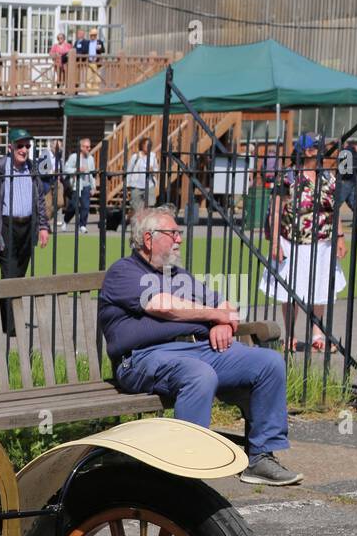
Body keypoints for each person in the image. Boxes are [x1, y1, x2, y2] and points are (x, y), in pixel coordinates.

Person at [102, 206, 302, 485]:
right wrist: (213, 315)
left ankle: (260, 459)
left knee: (269, 364)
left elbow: (226, 306)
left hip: (193, 352)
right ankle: (186, 471)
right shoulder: (123, 272)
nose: (179, 239)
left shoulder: (177, 275)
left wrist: (223, 322)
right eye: (173, 233)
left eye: (179, 233)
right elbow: (160, 305)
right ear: (148, 239)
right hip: (141, 359)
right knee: (199, 374)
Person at [260, 132, 347, 352]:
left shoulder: (327, 177)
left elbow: (335, 209)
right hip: (293, 243)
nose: (320, 151)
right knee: (291, 289)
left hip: (324, 243)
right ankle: (290, 336)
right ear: (305, 151)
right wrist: (274, 243)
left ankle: (317, 334)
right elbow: (276, 210)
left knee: (319, 287)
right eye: (316, 147)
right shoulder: (288, 176)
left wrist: (340, 236)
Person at [0, 127, 50, 336]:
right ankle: (11, 327)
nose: (24, 149)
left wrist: (43, 226)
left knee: (18, 276)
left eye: (27, 145)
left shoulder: (32, 169)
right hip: (4, 226)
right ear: (11, 146)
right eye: (20, 145)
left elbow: (40, 201)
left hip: (27, 228)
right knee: (9, 275)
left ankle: (7, 321)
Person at [63, 137, 96, 233]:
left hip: (87, 185)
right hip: (76, 185)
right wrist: (77, 170)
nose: (88, 149)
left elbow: (92, 174)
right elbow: (66, 169)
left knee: (85, 206)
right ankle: (65, 221)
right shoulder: (74, 157)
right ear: (81, 147)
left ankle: (82, 225)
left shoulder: (91, 159)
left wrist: (93, 187)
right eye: (86, 147)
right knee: (73, 205)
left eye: (89, 147)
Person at [125, 136, 158, 221]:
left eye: (150, 145)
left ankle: (146, 225)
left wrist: (152, 170)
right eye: (147, 145)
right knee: (136, 207)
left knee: (150, 205)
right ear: (142, 146)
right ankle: (129, 222)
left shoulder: (153, 156)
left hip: (149, 184)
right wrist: (127, 184)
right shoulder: (135, 157)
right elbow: (129, 170)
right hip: (136, 185)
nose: (149, 147)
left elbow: (156, 169)